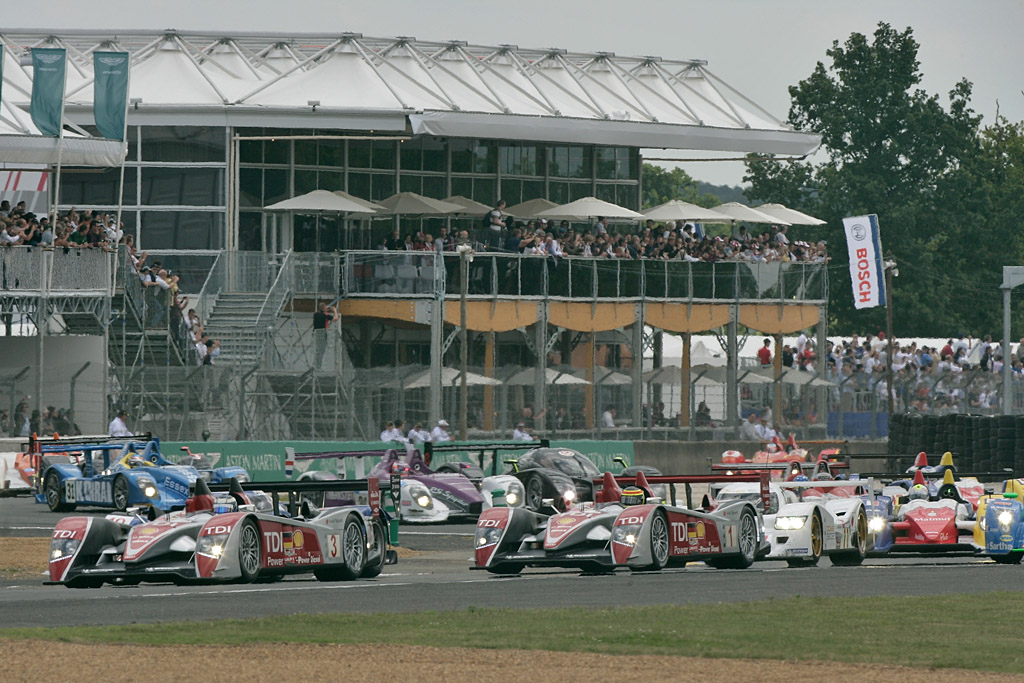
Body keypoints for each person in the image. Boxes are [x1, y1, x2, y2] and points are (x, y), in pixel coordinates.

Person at [312, 301, 338, 368]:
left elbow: (319, 311)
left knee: (318, 350)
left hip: (316, 334)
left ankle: (317, 365)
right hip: (323, 334)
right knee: (322, 350)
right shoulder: (325, 315)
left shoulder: (315, 314)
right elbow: (335, 319)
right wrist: (335, 311)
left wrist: (326, 308)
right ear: (324, 308)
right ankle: (319, 366)